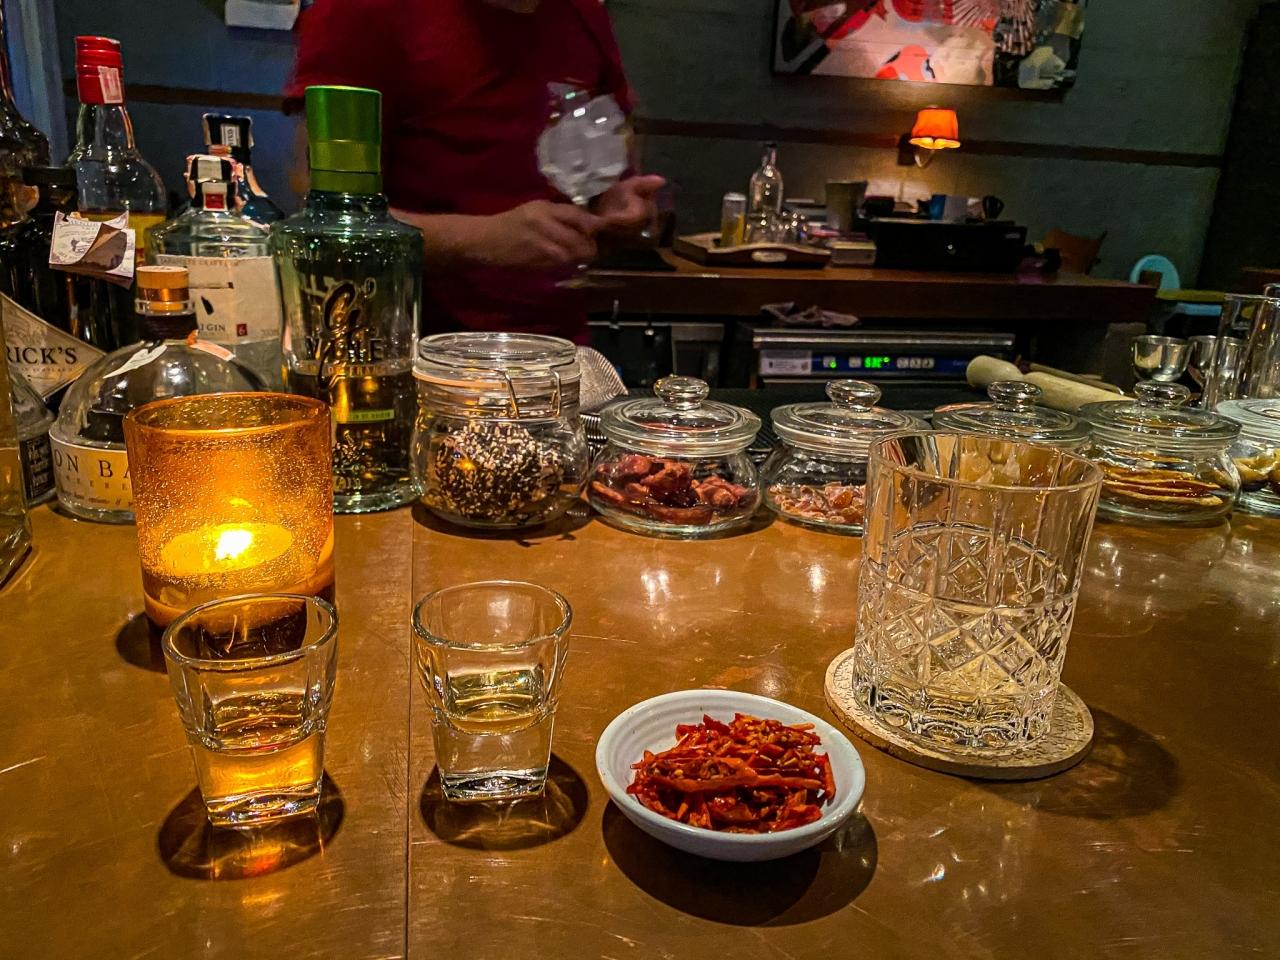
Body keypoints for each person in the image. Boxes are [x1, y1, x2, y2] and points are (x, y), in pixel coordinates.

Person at [286, 0, 665, 341]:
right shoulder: (361, 11)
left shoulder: (583, 12)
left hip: (555, 350)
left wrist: (613, 203)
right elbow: (323, 216)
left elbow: (604, 161)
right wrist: (480, 240)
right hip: (405, 349)